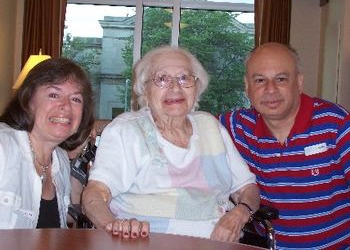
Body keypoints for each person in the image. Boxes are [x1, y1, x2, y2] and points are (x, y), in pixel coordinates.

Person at [82, 45, 260, 242]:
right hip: (147, 243)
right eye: (162, 79)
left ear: (197, 87)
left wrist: (240, 213)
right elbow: (95, 194)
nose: (175, 87)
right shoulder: (127, 131)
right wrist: (113, 226)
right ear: (145, 90)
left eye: (184, 78)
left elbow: (247, 187)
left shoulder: (210, 126)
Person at [219, 42, 350, 249]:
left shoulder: (335, 123)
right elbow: (185, 126)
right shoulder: (236, 127)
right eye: (260, 80)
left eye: (281, 79)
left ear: (298, 83)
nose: (270, 89)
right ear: (247, 86)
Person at [0, 58, 94, 228]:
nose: (65, 105)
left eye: (76, 99)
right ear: (28, 101)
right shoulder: (3, 147)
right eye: (53, 95)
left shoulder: (61, 160)